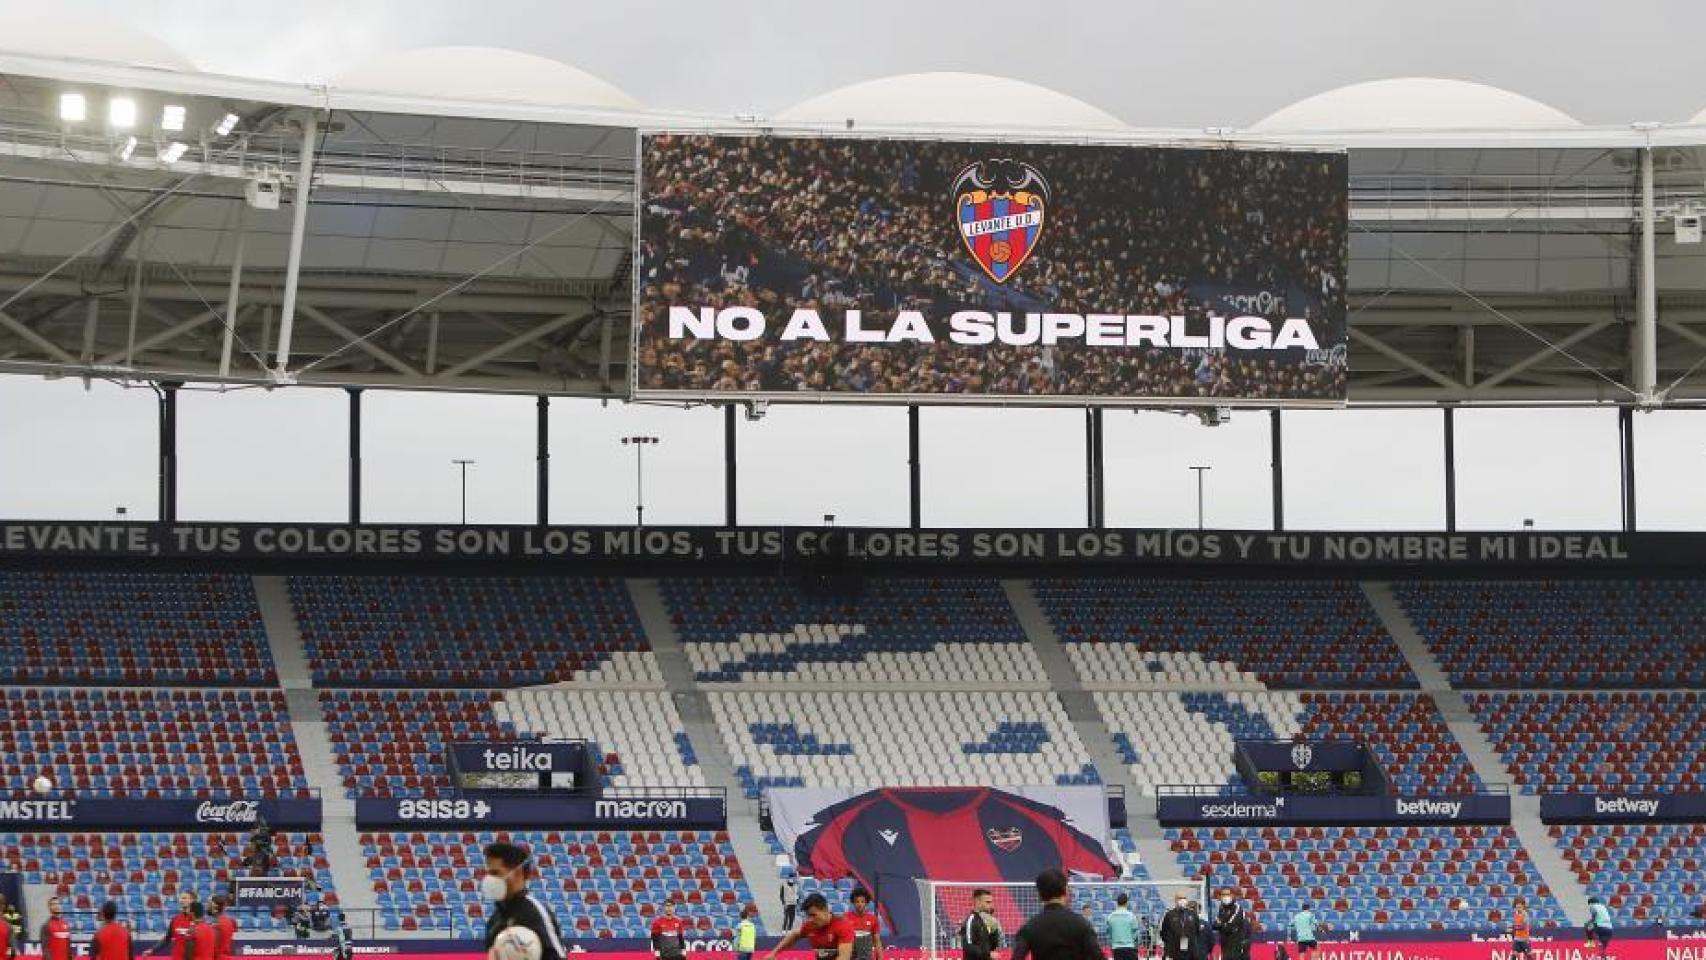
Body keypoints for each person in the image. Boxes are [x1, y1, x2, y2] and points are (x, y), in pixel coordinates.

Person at [480, 841, 566, 960]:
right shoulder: (494, 919)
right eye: (488, 873)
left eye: (495, 873)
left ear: (517, 873)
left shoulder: (534, 912)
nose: (489, 879)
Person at [1010, 869, 1101, 960]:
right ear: (1065, 890)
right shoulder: (1082, 924)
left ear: (1039, 894)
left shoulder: (1030, 927)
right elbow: (1097, 956)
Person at [764, 893, 853, 960]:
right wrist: (774, 953)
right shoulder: (810, 925)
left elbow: (844, 957)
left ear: (825, 910)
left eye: (814, 915)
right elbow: (795, 934)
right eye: (808, 916)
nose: (810, 919)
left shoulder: (842, 926)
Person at [961, 889, 1002, 960]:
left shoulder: (987, 920)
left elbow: (992, 947)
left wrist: (994, 931)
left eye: (991, 902)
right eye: (987, 902)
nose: (991, 905)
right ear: (978, 902)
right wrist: (988, 954)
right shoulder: (971, 920)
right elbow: (968, 946)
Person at [1160, 895, 1201, 960]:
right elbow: (1163, 932)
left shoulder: (1192, 914)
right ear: (1176, 900)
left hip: (1190, 950)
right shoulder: (1169, 915)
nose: (1182, 900)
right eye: (1180, 898)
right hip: (1174, 950)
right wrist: (1170, 943)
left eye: (1184, 898)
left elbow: (1197, 931)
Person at [845, 887, 882, 960]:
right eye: (857, 901)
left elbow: (877, 941)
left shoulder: (873, 919)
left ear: (866, 903)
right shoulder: (846, 917)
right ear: (853, 902)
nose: (860, 904)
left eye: (862, 901)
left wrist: (880, 958)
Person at [1214, 892, 1251, 960]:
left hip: (1237, 945)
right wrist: (1223, 925)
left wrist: (1222, 925)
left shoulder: (1238, 909)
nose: (1225, 897)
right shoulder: (1221, 909)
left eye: (1227, 895)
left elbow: (1229, 927)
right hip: (1225, 945)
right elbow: (1215, 925)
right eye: (1224, 895)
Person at [1107, 894, 1139, 960]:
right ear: (1127, 903)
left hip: (1117, 948)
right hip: (1129, 947)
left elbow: (1109, 933)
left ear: (1117, 903)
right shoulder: (1131, 916)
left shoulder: (1110, 916)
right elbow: (1136, 933)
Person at [209, 896, 237, 960]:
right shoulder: (230, 921)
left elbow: (214, 946)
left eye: (209, 905)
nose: (208, 907)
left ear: (215, 907)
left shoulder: (217, 923)